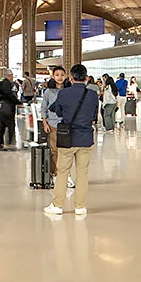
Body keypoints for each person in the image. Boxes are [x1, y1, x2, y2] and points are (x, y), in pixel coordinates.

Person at [43, 64, 99, 217]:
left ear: (71, 78)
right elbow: (94, 115)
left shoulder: (64, 94)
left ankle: (58, 205)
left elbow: (57, 110)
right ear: (86, 78)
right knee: (82, 173)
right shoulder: (93, 95)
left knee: (62, 172)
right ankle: (80, 207)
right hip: (86, 139)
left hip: (67, 138)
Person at [40, 64, 68, 178]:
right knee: (54, 151)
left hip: (66, 125)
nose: (60, 77)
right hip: (52, 125)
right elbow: (43, 107)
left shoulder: (69, 91)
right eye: (57, 75)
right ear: (53, 77)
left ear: (66, 76)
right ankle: (55, 174)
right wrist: (44, 122)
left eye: (62, 75)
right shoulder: (48, 92)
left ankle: (65, 174)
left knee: (66, 152)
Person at [0, 70, 19, 151]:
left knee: (1, 126)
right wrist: (17, 102)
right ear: (9, 75)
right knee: (11, 125)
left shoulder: (0, 83)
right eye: (12, 75)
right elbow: (9, 96)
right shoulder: (7, 84)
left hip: (0, 108)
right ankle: (10, 144)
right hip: (7, 108)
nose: (12, 77)